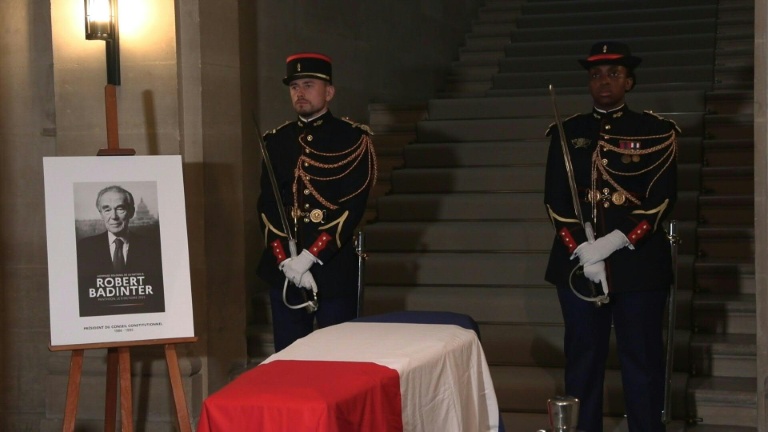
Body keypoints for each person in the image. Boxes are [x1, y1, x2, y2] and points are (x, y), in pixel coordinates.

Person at [543, 41, 679, 432]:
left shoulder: (656, 131)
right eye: (596, 75)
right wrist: (586, 250)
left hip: (638, 265)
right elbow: (555, 199)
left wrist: (613, 241)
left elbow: (662, 198)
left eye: (613, 74)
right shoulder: (568, 131)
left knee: (642, 361)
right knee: (583, 360)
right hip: (580, 267)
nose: (604, 81)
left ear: (629, 82)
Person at [257, 52, 377, 352]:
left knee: (338, 359)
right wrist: (286, 260)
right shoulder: (276, 140)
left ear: (329, 92)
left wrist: (309, 257)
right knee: (289, 359)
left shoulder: (353, 139)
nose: (300, 92)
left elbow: (352, 206)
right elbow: (268, 205)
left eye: (308, 84)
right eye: (295, 86)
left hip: (332, 269)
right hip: (285, 270)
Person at [76, 185, 165, 317]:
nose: (114, 216)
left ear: (132, 212)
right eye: (107, 210)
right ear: (100, 214)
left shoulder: (154, 248)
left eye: (120, 208)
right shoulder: (83, 249)